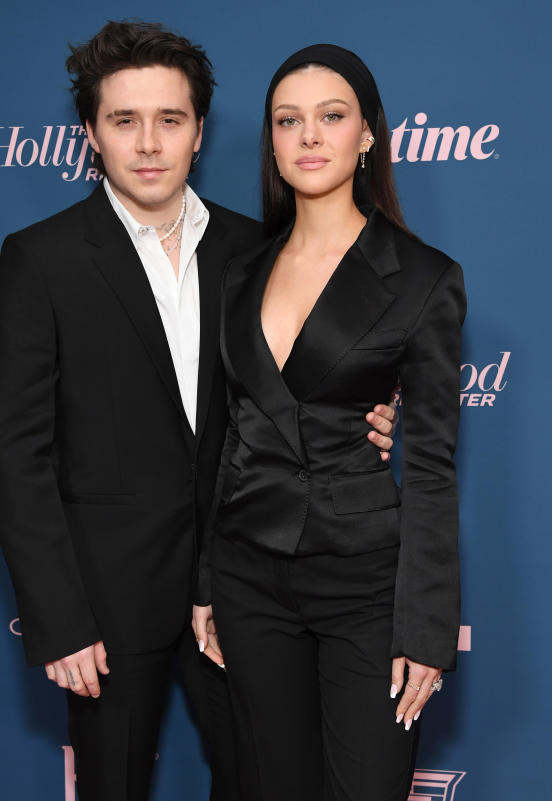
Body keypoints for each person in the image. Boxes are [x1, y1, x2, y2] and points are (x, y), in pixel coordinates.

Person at [0, 24, 396, 801]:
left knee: (262, 781)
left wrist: (372, 414)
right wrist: (59, 615)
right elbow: (14, 452)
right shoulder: (41, 259)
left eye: (169, 120)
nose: (148, 143)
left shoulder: (254, 249)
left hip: (248, 583)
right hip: (105, 598)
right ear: (92, 135)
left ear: (199, 132)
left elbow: (298, 392)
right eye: (124, 120)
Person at [194, 44, 466, 801]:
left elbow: (436, 466)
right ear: (273, 143)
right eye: (289, 120)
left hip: (364, 584)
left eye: (331, 116)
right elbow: (233, 428)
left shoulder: (421, 276)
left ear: (368, 135)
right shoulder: (240, 270)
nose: (309, 136)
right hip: (250, 579)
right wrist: (210, 578)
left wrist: (425, 630)